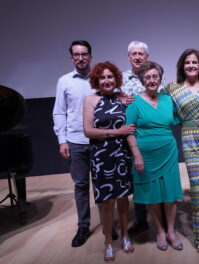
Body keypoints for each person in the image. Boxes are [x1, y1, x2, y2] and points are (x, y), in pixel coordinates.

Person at [53, 40, 117, 247]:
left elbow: (112, 99)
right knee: (81, 185)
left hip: (99, 141)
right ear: (71, 58)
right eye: (76, 55)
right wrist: (62, 140)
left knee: (103, 185)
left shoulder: (101, 79)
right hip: (76, 141)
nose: (80, 58)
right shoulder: (64, 81)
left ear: (90, 56)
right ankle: (83, 225)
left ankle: (108, 225)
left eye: (84, 54)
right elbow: (59, 112)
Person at [161, 48, 199, 254]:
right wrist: (182, 122)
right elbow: (161, 106)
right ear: (182, 66)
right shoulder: (173, 88)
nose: (191, 66)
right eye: (187, 63)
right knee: (197, 185)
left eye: (194, 62)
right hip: (190, 137)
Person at [126, 61, 184, 251]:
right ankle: (159, 231)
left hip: (168, 152)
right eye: (147, 77)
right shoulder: (134, 102)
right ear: (143, 80)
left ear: (160, 78)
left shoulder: (168, 100)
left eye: (155, 76)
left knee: (170, 194)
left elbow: (178, 118)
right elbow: (129, 131)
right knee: (152, 196)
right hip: (146, 155)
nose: (151, 80)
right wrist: (137, 156)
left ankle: (171, 231)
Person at [83, 61, 135, 262]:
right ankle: (107, 242)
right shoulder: (90, 100)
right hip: (101, 155)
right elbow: (88, 131)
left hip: (121, 154)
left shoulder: (122, 99)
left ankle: (125, 235)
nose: (106, 81)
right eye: (102, 77)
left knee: (123, 198)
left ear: (116, 79)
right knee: (106, 201)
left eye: (110, 77)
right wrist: (117, 132)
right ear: (97, 80)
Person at [120, 40, 151, 235]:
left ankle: (161, 217)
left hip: (151, 134)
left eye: (141, 54)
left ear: (146, 57)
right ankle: (141, 220)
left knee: (154, 176)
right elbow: (108, 97)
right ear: (129, 56)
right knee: (137, 178)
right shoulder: (120, 79)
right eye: (134, 54)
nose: (138, 57)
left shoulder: (154, 75)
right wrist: (118, 98)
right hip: (129, 134)